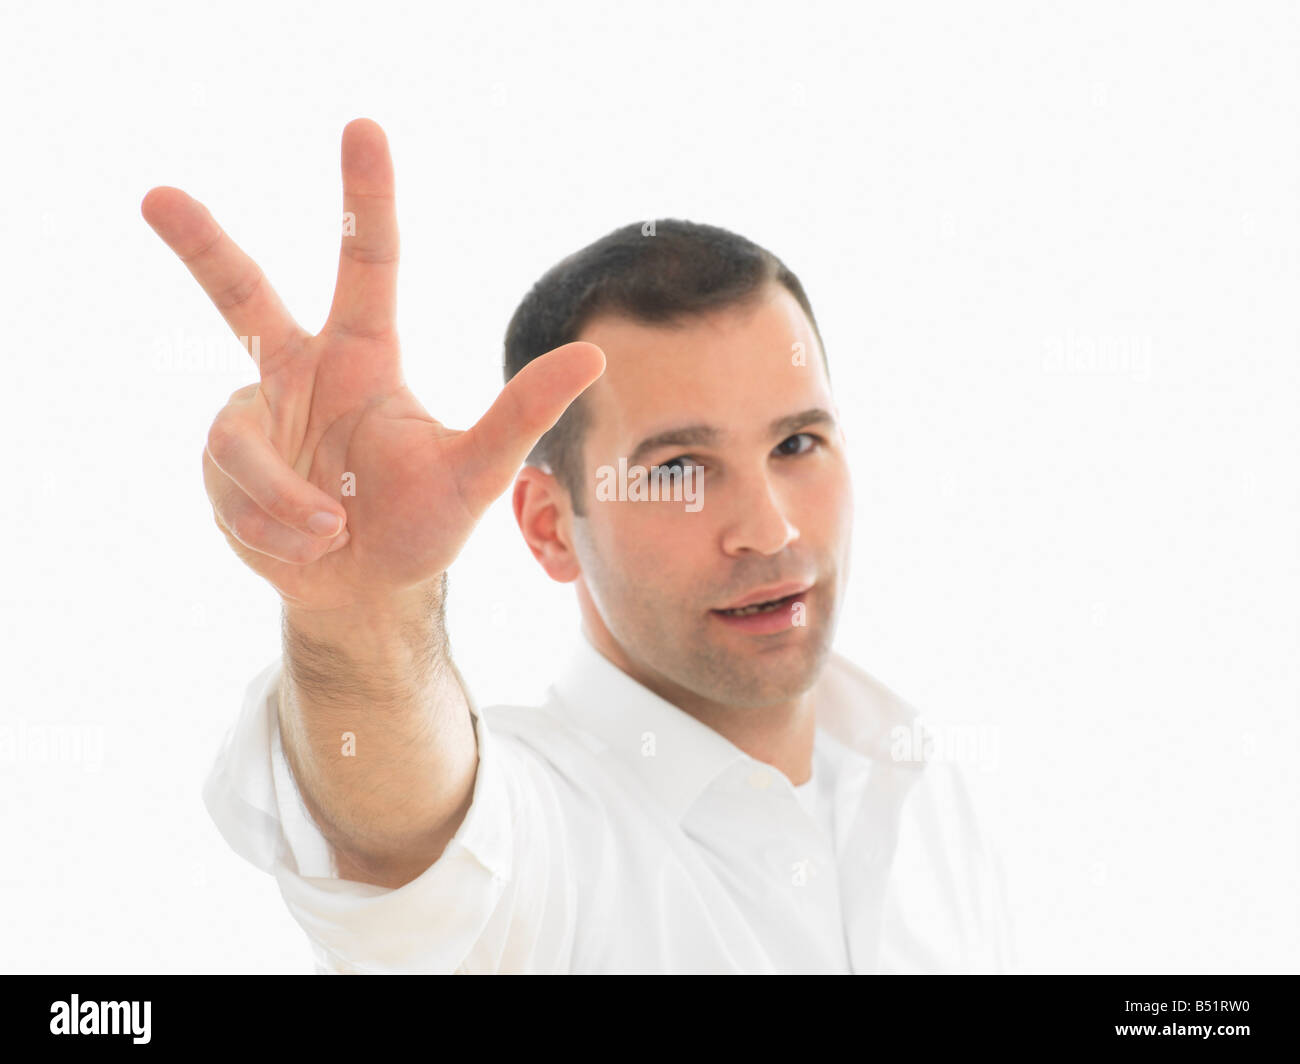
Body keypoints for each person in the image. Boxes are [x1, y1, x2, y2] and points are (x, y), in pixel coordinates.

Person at [142, 118, 1013, 974]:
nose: (771, 530)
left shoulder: (923, 782)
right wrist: (363, 613)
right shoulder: (543, 838)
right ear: (549, 525)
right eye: (677, 470)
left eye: (796, 444)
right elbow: (406, 846)